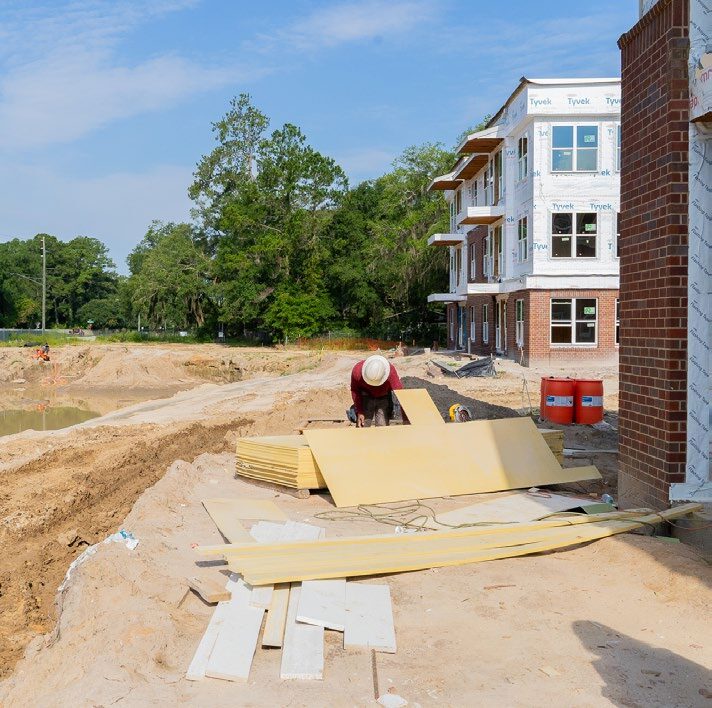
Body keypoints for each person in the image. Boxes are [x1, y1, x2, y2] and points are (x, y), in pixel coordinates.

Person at [350, 355, 409, 427]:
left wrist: (406, 419)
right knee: (362, 425)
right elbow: (355, 391)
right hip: (365, 396)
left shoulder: (391, 372)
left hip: (383, 396)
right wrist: (360, 411)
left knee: (382, 427)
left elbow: (401, 395)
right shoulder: (357, 371)